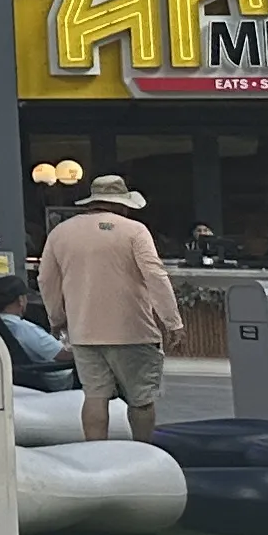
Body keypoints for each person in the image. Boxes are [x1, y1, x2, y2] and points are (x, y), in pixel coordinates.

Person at [39, 171, 182, 443]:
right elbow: (155, 275)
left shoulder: (61, 233)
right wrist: (172, 321)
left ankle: (97, 455)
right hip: (133, 331)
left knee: (94, 396)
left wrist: (57, 318)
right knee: (141, 399)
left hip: (83, 330)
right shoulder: (135, 231)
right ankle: (142, 451)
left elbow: (46, 279)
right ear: (122, 203)